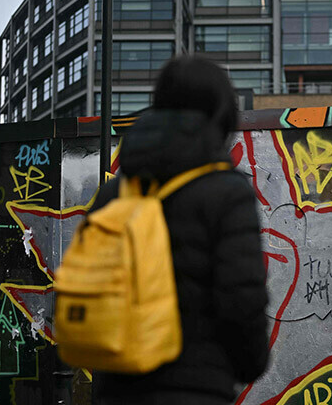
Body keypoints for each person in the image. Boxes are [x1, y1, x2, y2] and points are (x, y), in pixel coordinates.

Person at [89, 56, 269, 405]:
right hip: (197, 389)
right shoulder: (226, 192)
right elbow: (241, 297)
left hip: (117, 389)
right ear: (220, 112)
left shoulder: (113, 193)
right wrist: (250, 363)